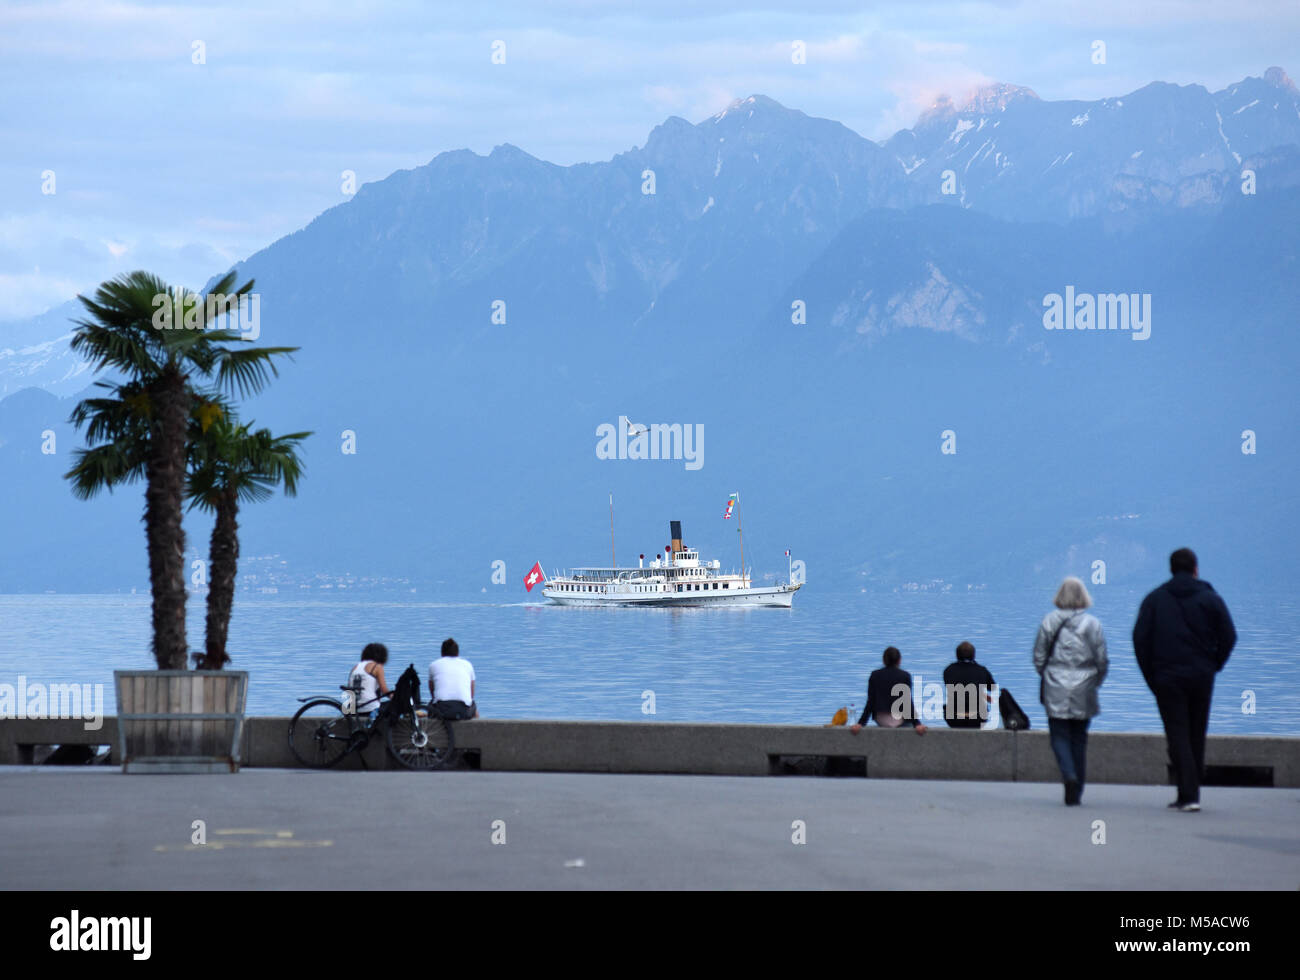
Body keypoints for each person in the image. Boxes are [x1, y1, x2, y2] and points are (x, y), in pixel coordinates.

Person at [1133, 548, 1236, 813]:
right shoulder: (1210, 599)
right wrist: (1214, 664)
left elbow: (1140, 640)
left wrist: (1151, 676)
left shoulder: (1155, 600)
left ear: (1171, 569)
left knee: (1177, 732)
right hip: (1201, 676)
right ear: (1195, 569)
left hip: (1167, 677)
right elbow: (1229, 635)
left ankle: (1186, 793)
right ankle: (1191, 792)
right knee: (1196, 732)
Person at [1033, 578, 1108, 806]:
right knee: (1079, 739)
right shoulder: (1093, 624)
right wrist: (1095, 681)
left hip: (1056, 684)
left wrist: (1048, 675)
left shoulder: (1049, 621)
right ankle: (1077, 790)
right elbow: (1102, 659)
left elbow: (1039, 657)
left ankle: (1068, 775)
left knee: (1059, 735)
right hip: (1084, 686)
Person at [850, 647, 927, 735]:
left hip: (880, 719)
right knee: (908, 724)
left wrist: (861, 723)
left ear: (884, 660)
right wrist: (917, 724)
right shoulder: (905, 676)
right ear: (899, 660)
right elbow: (907, 703)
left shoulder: (875, 675)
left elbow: (870, 702)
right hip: (899, 719)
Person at [943, 641, 995, 729]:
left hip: (954, 718)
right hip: (978, 718)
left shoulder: (949, 670)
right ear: (973, 655)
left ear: (957, 655)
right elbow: (992, 688)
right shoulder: (981, 670)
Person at [428, 637, 479, 720]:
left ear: (442, 653)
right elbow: (471, 694)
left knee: (431, 705)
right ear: (457, 653)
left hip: (441, 710)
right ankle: (477, 731)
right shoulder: (468, 665)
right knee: (474, 709)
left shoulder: (433, 665)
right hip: (463, 710)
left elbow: (432, 691)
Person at [347, 642, 391, 721]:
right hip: (369, 709)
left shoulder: (355, 667)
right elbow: (384, 691)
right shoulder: (377, 667)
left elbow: (349, 689)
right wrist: (397, 698)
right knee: (394, 705)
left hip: (352, 710)